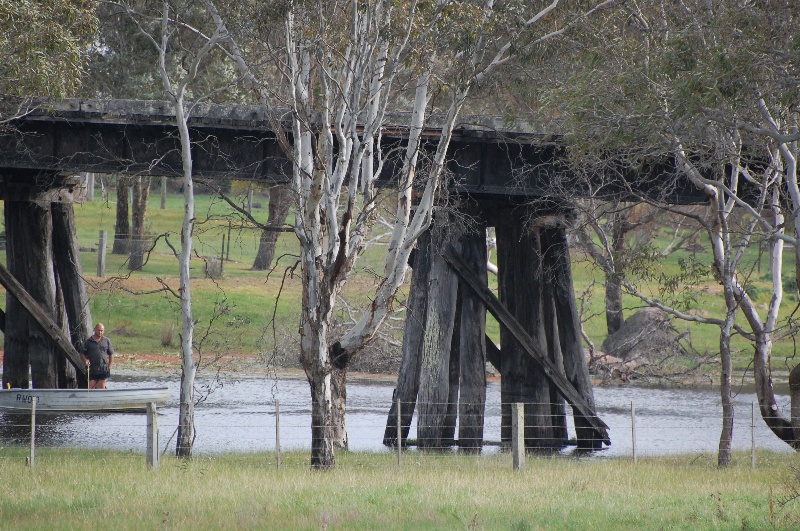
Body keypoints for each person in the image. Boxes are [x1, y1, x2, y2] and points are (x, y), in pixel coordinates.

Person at [81, 323, 114, 389]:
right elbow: (82, 354)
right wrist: (85, 360)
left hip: (103, 368)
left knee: (101, 387)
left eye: (102, 330)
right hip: (91, 368)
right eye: (98, 330)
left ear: (104, 331)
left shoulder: (106, 341)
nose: (100, 332)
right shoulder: (88, 342)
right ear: (95, 330)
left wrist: (110, 366)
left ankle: (101, 398)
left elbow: (111, 354)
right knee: (91, 386)